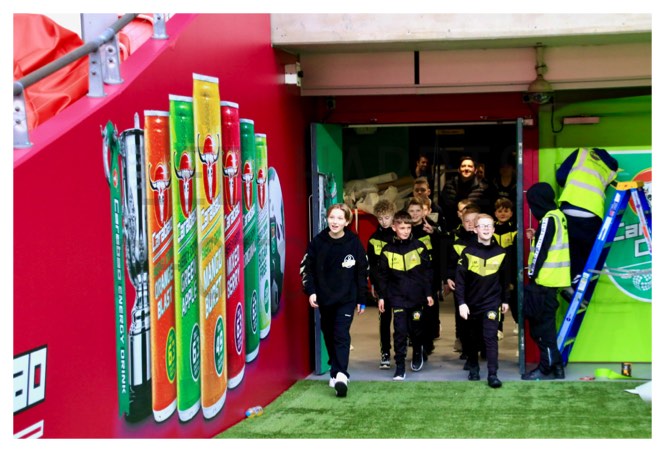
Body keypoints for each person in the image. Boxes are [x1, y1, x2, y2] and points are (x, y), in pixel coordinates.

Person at [300, 203, 368, 397]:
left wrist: (362, 298)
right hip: (325, 298)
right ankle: (335, 369)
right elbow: (306, 268)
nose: (335, 222)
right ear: (327, 219)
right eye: (332, 217)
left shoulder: (354, 243)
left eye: (340, 218)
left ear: (347, 222)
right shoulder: (318, 242)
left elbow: (362, 271)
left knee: (341, 334)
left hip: (347, 298)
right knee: (329, 334)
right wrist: (311, 291)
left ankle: (341, 375)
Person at [376, 210, 435, 381]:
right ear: (394, 228)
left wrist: (428, 293)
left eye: (408, 228)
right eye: (402, 228)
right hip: (397, 298)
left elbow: (427, 272)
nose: (406, 231)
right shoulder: (387, 250)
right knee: (400, 332)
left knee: (416, 330)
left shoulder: (419, 246)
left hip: (417, 297)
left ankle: (417, 352)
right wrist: (382, 296)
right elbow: (382, 276)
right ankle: (400, 367)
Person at [522, 182, 571, 381]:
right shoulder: (559, 216)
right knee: (547, 326)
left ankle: (546, 367)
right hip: (555, 280)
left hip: (544, 281)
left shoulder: (548, 219)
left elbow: (541, 251)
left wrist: (531, 275)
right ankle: (557, 367)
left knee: (540, 329)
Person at [455, 213, 510, 388]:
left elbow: (505, 280)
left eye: (489, 225)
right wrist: (461, 303)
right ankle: (473, 367)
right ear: (475, 229)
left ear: (493, 229)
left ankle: (493, 374)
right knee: (472, 337)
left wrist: (505, 300)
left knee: (490, 337)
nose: (486, 228)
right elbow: (460, 281)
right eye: (482, 225)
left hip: (491, 303)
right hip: (471, 303)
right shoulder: (467, 252)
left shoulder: (501, 253)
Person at [556, 147, 618, 287]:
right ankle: (580, 284)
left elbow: (561, 176)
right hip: (593, 212)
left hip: (570, 206)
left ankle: (572, 282)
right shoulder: (611, 167)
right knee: (587, 253)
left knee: (570, 250)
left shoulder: (581, 152)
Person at [446, 205, 480, 358]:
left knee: (479, 316)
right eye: (467, 221)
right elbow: (450, 262)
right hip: (461, 285)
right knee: (462, 317)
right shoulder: (457, 241)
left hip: (480, 286)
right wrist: (448, 277)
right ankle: (465, 347)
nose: (471, 224)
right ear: (462, 222)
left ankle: (482, 346)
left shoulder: (486, 239)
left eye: (474, 221)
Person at [407, 197, 440, 355]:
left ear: (424, 212)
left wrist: (434, 233)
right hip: (410, 278)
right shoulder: (405, 230)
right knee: (412, 312)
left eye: (417, 211)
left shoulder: (431, 228)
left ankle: (427, 343)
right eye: (411, 211)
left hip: (429, 278)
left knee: (429, 312)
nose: (414, 214)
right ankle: (415, 340)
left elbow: (440, 253)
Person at [366, 199, 397, 370]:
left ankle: (402, 351)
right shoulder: (373, 239)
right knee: (384, 321)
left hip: (400, 285)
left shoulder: (400, 235)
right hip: (382, 286)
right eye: (380, 218)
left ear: (393, 216)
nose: (383, 221)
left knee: (401, 320)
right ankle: (385, 353)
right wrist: (373, 284)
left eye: (387, 217)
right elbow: (371, 264)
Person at [440, 156, 493, 231]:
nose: (466, 168)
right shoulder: (449, 185)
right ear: (459, 169)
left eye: (470, 166)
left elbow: (486, 212)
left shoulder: (483, 188)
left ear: (475, 170)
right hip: (451, 228)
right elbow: (443, 207)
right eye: (463, 166)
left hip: (475, 229)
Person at [493, 197, 518, 337]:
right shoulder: (492, 229)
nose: (503, 214)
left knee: (514, 299)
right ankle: (498, 328)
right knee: (497, 299)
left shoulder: (515, 229)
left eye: (506, 211)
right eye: (500, 211)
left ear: (511, 213)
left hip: (511, 270)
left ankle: (518, 322)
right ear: (495, 213)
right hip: (495, 270)